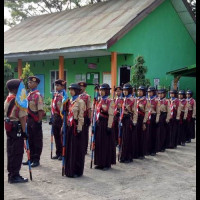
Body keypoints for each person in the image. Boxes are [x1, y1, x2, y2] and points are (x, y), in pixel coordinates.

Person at [4, 79, 28, 183]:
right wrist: (24, 132)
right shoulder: (18, 101)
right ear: (15, 89)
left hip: (9, 127)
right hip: (16, 128)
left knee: (11, 152)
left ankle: (11, 174)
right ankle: (15, 175)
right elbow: (22, 118)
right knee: (17, 152)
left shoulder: (8, 99)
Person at [65, 83, 86, 178]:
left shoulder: (80, 102)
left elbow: (81, 116)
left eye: (72, 90)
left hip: (76, 128)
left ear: (77, 91)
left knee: (77, 150)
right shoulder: (70, 101)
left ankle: (77, 170)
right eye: (70, 90)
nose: (70, 91)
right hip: (70, 127)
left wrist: (79, 128)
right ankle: (69, 169)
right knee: (70, 149)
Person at [23, 76, 44, 167]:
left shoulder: (37, 95)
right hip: (29, 120)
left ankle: (36, 159)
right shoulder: (29, 94)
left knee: (36, 140)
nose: (29, 84)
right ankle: (30, 157)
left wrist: (39, 121)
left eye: (31, 82)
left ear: (36, 84)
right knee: (30, 139)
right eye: (29, 82)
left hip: (35, 120)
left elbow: (40, 110)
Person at [94, 83, 116, 170]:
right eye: (100, 90)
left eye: (103, 90)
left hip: (106, 124)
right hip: (99, 124)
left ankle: (107, 163)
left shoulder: (110, 101)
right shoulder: (99, 100)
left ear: (107, 91)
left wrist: (109, 126)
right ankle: (99, 162)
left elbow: (111, 115)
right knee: (99, 143)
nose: (101, 92)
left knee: (106, 144)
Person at [119, 83, 137, 163]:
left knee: (128, 139)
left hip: (129, 120)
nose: (124, 92)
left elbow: (135, 112)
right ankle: (122, 156)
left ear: (129, 91)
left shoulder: (133, 100)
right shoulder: (124, 99)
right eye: (124, 90)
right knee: (123, 138)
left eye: (126, 90)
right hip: (123, 119)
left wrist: (134, 122)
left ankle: (128, 157)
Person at [50, 79, 66, 160]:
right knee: (56, 135)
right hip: (55, 117)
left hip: (61, 117)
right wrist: (51, 117)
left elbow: (63, 108)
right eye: (55, 85)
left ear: (62, 86)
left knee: (61, 136)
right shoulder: (55, 94)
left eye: (58, 85)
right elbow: (52, 106)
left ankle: (62, 153)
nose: (56, 87)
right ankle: (58, 152)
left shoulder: (64, 95)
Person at [78, 81, 92, 154]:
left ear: (85, 87)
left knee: (84, 134)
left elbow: (89, 108)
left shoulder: (87, 96)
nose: (81, 88)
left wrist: (89, 118)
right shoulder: (76, 96)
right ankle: (79, 148)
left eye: (82, 86)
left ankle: (84, 149)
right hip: (77, 118)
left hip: (84, 117)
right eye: (80, 86)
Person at [144, 86, 158, 156]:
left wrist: (157, 120)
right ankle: (147, 150)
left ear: (154, 92)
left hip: (153, 117)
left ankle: (153, 150)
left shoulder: (156, 100)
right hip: (147, 118)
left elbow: (158, 112)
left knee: (153, 134)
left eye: (151, 92)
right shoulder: (146, 100)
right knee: (147, 135)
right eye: (148, 92)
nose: (149, 93)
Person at [136, 86, 147, 159]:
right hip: (136, 119)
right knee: (136, 137)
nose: (139, 92)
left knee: (142, 137)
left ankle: (141, 153)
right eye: (138, 91)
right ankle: (136, 153)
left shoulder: (146, 101)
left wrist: (144, 122)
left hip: (142, 119)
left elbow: (147, 112)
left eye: (141, 91)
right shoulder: (136, 99)